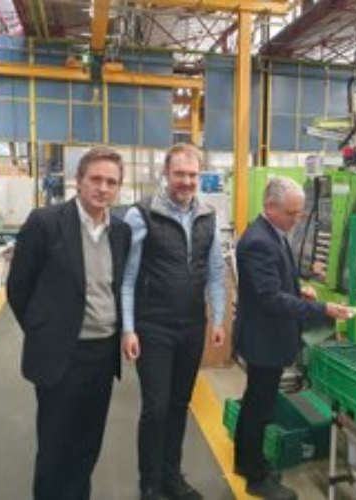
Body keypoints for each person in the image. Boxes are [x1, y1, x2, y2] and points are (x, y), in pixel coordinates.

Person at [6, 146, 131, 500]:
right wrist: (44, 331)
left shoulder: (120, 232)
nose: (103, 188)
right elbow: (19, 287)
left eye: (111, 182)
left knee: (87, 444)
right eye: (96, 179)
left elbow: (117, 286)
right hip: (62, 354)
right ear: (79, 180)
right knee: (55, 446)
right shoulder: (45, 223)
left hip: (102, 355)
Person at [233, 176, 352, 500]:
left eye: (299, 212)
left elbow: (277, 281)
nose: (297, 219)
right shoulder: (258, 241)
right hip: (263, 340)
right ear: (270, 207)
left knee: (257, 404)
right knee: (258, 407)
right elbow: (270, 298)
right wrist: (323, 309)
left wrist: (299, 290)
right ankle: (256, 477)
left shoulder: (273, 233)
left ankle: (247, 462)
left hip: (268, 337)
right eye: (291, 213)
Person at [121, 142, 226, 500]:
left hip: (192, 326)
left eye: (193, 174)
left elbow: (215, 271)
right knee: (156, 408)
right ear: (166, 173)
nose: (187, 181)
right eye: (180, 173)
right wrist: (129, 329)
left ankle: (171, 477)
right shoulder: (142, 214)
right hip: (153, 327)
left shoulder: (208, 216)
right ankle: (149, 483)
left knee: (180, 405)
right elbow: (128, 278)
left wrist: (218, 319)